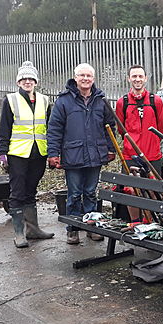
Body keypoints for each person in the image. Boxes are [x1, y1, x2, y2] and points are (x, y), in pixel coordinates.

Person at [47, 63, 116, 245]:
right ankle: (73, 229)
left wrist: (111, 149)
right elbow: (54, 129)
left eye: (89, 76)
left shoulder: (101, 101)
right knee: (75, 193)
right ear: (75, 77)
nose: (85, 79)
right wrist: (53, 153)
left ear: (93, 79)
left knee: (91, 193)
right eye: (82, 75)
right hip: (73, 155)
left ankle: (91, 228)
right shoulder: (63, 101)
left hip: (95, 154)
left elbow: (110, 127)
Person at [0, 61, 54, 248]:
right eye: (24, 79)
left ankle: (33, 229)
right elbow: (4, 128)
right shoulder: (11, 100)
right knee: (18, 193)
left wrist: (52, 150)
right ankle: (19, 233)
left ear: (36, 81)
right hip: (18, 154)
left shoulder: (44, 101)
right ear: (18, 82)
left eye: (30, 78)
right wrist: (2, 153)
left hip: (39, 152)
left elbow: (50, 128)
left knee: (31, 190)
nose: (27, 81)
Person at [115, 65, 163, 221]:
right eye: (134, 76)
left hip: (152, 155)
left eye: (140, 76)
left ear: (145, 78)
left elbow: (160, 126)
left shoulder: (155, 101)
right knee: (131, 191)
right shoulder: (122, 102)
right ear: (129, 79)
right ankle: (135, 223)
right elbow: (121, 129)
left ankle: (149, 221)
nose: (137, 79)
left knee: (152, 191)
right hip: (130, 155)